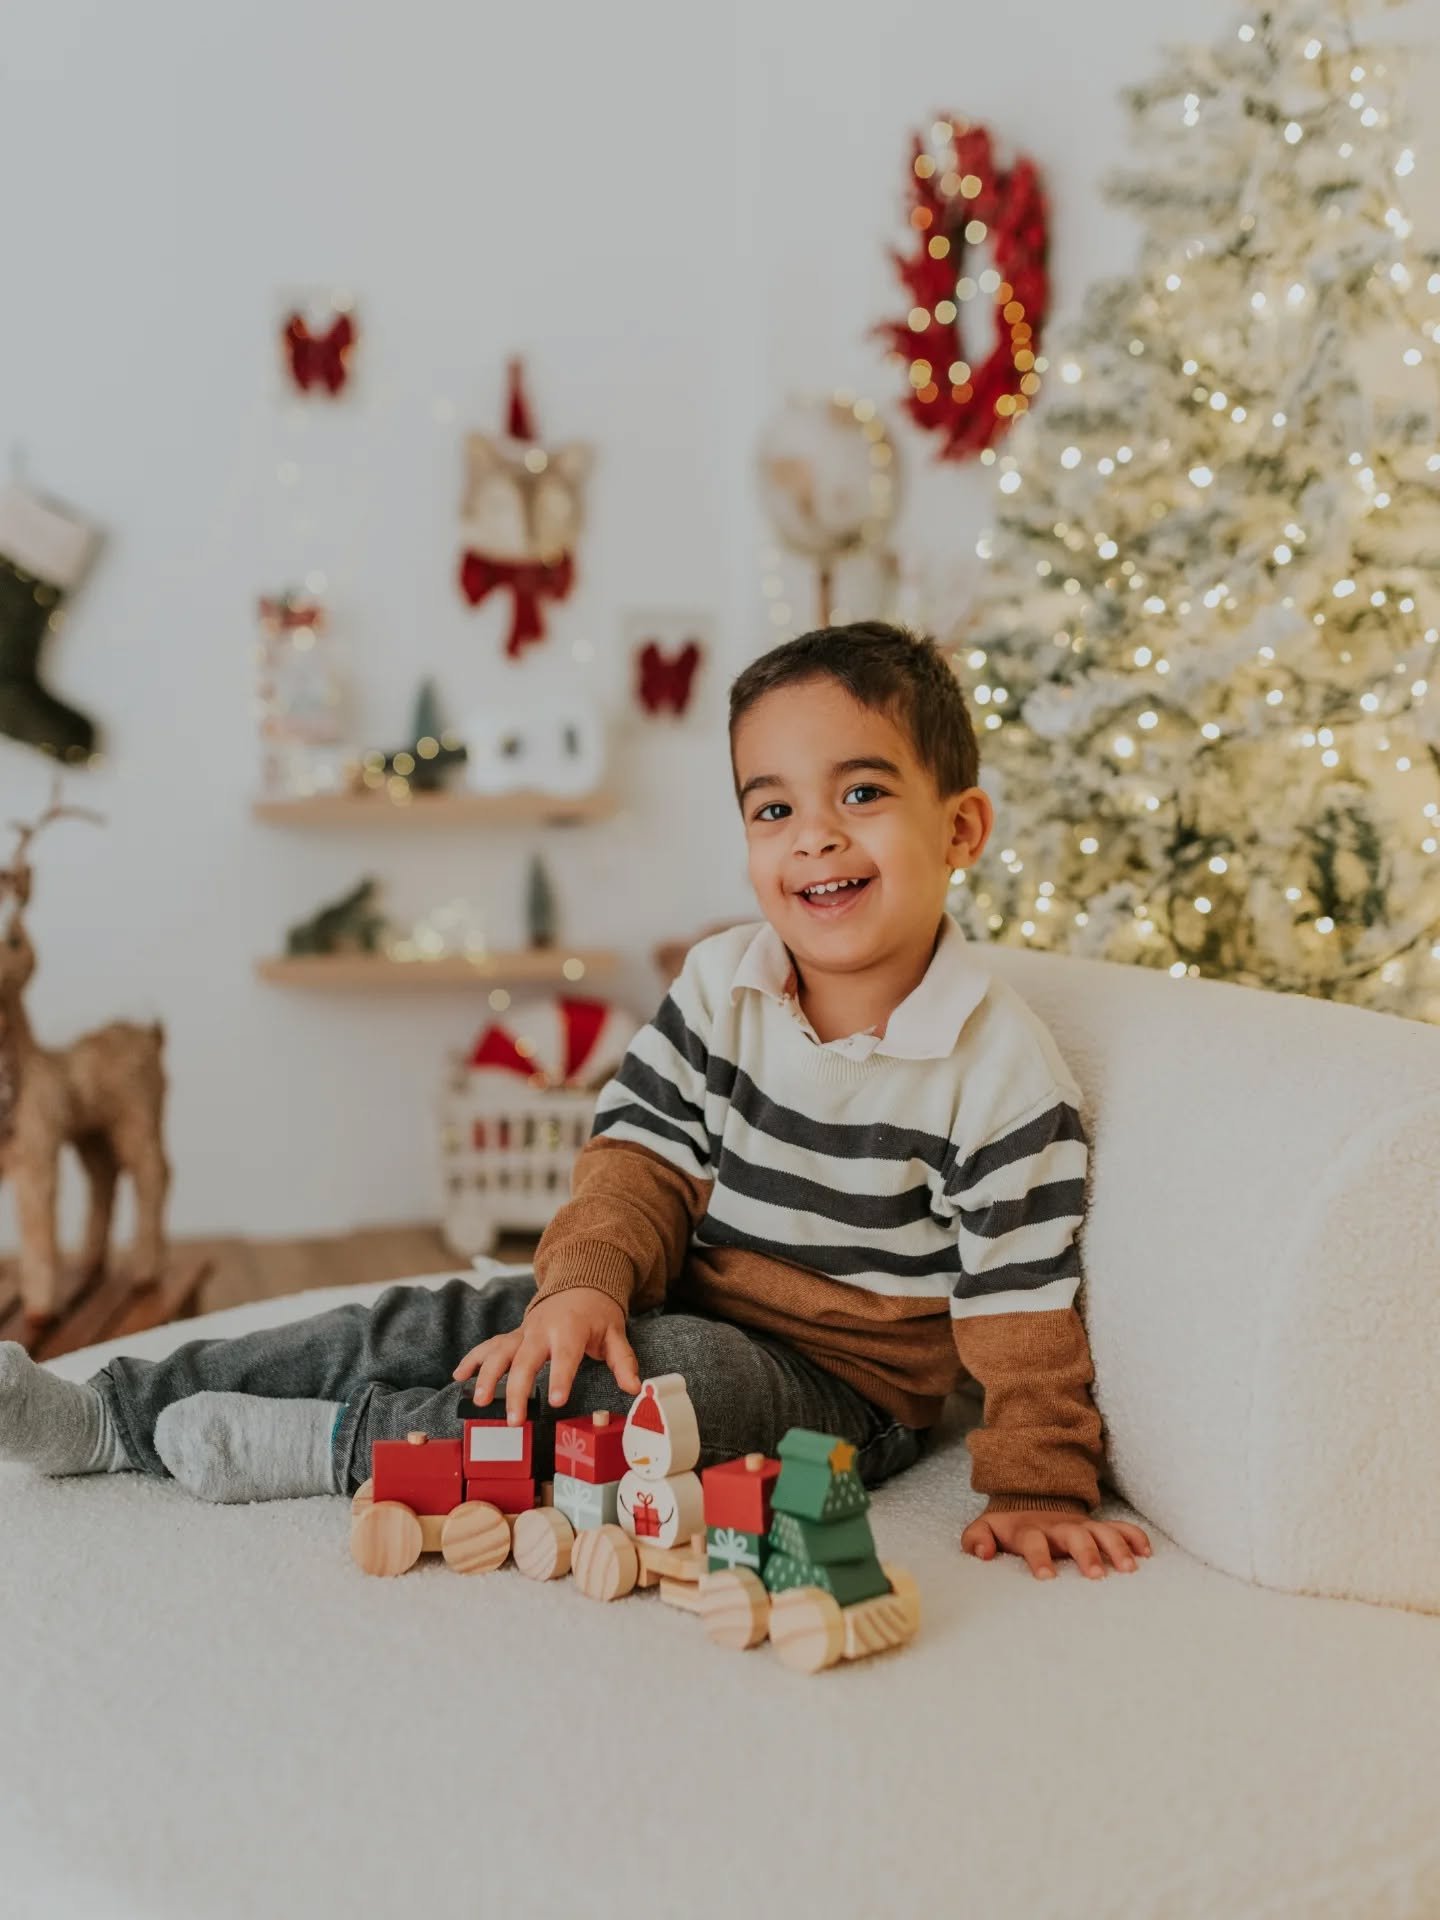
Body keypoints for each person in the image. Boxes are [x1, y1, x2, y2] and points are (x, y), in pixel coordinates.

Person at [0, 620, 1150, 1582]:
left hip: (844, 1393)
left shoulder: (1000, 1071)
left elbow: (1021, 1309)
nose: (816, 838)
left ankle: (347, 1445)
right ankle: (109, 1411)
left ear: (960, 829)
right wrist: (582, 1288)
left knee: (662, 1397)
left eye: (861, 792)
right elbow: (639, 1158)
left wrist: (1038, 1481)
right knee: (456, 1326)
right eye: (772, 809)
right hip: (678, 1293)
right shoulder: (725, 982)